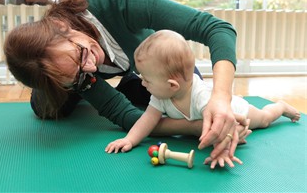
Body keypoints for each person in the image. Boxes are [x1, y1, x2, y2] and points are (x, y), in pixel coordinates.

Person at [4, 0, 241, 159]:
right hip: (54, 90)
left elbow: (217, 29)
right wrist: (194, 127)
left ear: (61, 25)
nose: (90, 68)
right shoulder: (77, 75)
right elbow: (128, 117)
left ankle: (132, 83)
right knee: (49, 109)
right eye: (76, 75)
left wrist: (221, 98)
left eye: (81, 54)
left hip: (139, 62)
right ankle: (59, 89)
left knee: (182, 93)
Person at [105, 30, 301, 169]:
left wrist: (223, 151)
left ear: (172, 85)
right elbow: (147, 119)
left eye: (146, 80)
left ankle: (281, 107)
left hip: (237, 111)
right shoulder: (160, 95)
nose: (142, 84)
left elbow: (222, 127)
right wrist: (129, 139)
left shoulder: (200, 97)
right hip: (215, 112)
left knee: (265, 119)